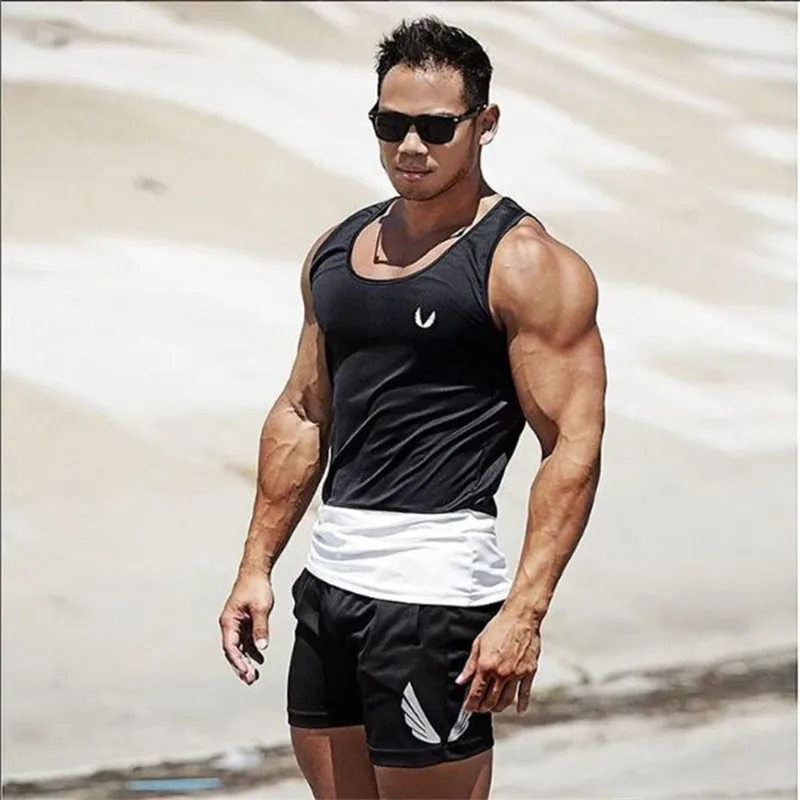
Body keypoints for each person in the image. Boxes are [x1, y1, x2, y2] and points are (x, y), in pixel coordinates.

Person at [219, 15, 606, 800]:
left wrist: (524, 613)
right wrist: (255, 566)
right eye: (390, 124)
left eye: (435, 126)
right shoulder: (338, 249)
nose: (411, 145)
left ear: (484, 123)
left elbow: (572, 444)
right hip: (329, 585)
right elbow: (303, 413)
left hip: (436, 597)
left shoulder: (525, 264)